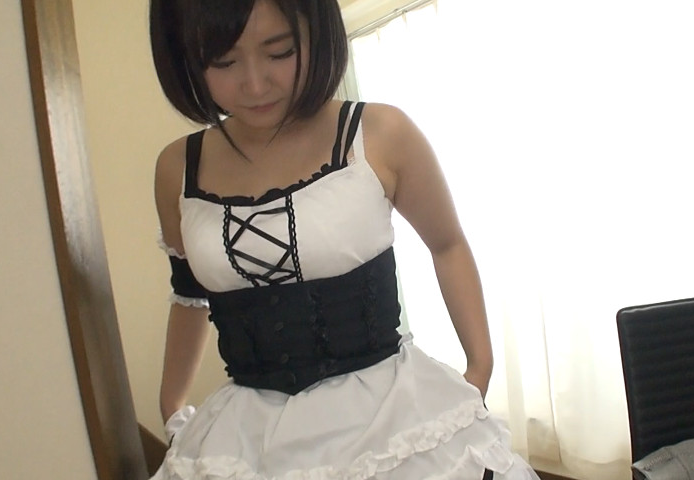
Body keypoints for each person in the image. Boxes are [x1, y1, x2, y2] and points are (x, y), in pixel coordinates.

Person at [148, 0, 540, 478]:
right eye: (224, 61)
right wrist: (172, 405)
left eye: (279, 51)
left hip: (393, 418)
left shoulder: (380, 132)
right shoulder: (176, 167)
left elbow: (447, 244)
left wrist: (479, 367)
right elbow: (189, 293)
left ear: (316, 35)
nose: (254, 83)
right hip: (246, 434)